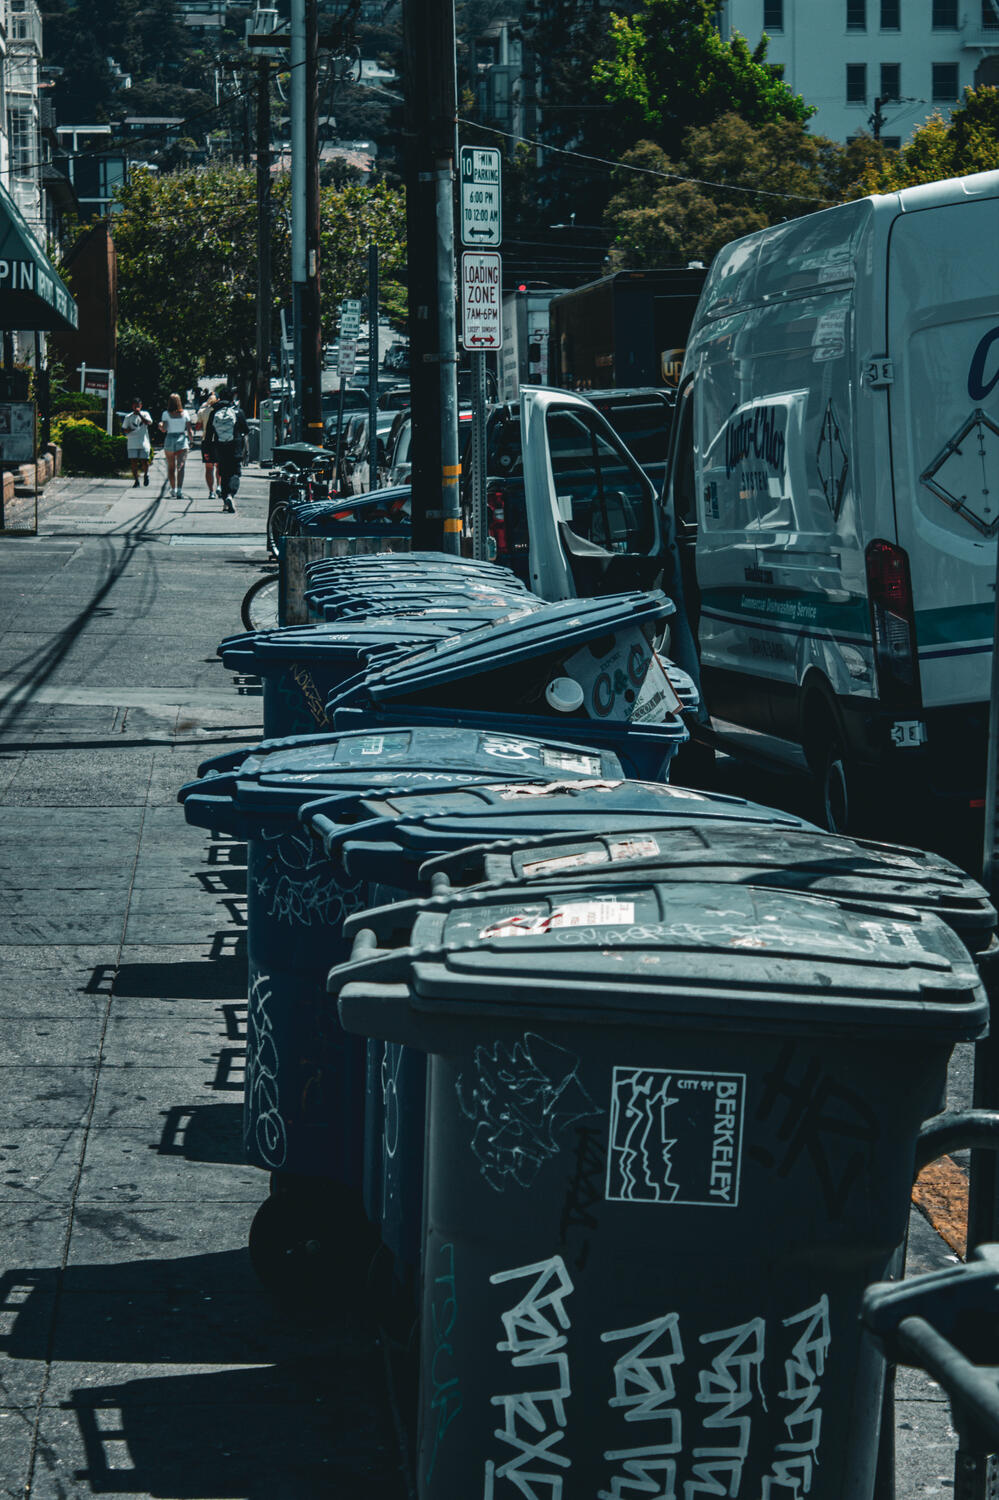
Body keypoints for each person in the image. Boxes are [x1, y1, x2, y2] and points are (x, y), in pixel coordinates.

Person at [204, 388, 249, 513]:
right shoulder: (238, 412)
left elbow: (209, 434)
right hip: (235, 447)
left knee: (223, 473)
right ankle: (230, 495)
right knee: (235, 473)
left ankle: (225, 500)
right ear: (232, 398)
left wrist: (207, 451)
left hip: (220, 447)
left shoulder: (214, 412)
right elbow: (246, 430)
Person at [159, 393, 195, 498]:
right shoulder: (185, 413)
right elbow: (189, 429)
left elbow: (164, 429)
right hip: (181, 439)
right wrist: (191, 441)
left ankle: (173, 488)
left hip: (169, 439)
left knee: (171, 467)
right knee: (181, 466)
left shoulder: (165, 414)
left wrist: (160, 426)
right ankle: (179, 490)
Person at [121, 397, 154, 487]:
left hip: (143, 442)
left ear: (141, 406)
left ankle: (146, 475)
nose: (136, 408)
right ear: (132, 406)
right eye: (135, 406)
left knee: (144, 461)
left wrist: (139, 414)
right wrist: (128, 430)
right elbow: (124, 429)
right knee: (133, 462)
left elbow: (148, 423)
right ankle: (136, 480)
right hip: (132, 442)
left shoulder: (145, 414)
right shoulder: (128, 417)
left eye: (138, 406)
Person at [196, 389, 218, 499]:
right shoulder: (221, 411)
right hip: (219, 442)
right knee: (220, 466)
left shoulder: (203, 411)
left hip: (207, 441)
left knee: (209, 468)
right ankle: (219, 487)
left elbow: (198, 427)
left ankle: (211, 491)